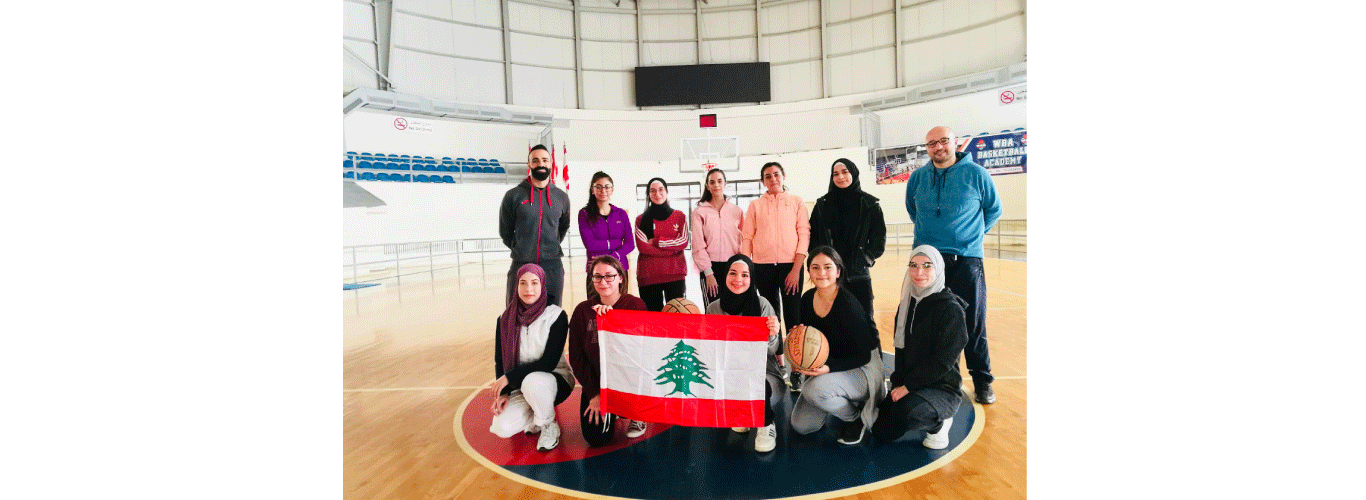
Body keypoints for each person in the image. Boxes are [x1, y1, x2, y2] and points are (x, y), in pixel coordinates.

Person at [904, 126, 1002, 404]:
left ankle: (982, 380)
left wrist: (972, 237)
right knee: (930, 324)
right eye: (932, 143)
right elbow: (913, 210)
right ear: (927, 148)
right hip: (928, 264)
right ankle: (942, 379)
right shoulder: (918, 178)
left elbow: (994, 209)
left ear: (954, 142)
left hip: (966, 260)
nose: (938, 147)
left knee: (972, 323)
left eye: (943, 141)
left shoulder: (976, 175)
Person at [868, 245, 967, 450]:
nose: (918, 272)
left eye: (926, 266)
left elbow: (942, 362)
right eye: (913, 265)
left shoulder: (951, 309)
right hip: (911, 383)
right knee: (881, 432)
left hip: (942, 389)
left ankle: (939, 424)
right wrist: (898, 384)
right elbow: (901, 352)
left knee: (908, 413)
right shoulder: (907, 304)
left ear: (938, 268)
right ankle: (913, 406)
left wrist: (908, 387)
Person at [788, 246, 884, 446]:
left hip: (862, 369)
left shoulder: (848, 305)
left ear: (838, 271)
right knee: (802, 425)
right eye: (815, 267)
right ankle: (840, 397)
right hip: (833, 365)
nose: (821, 273)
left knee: (814, 391)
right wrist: (798, 341)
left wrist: (828, 368)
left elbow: (863, 356)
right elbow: (813, 343)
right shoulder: (807, 300)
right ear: (809, 272)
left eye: (827, 267)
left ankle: (854, 417)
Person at [566, 255, 651, 446]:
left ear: (620, 277)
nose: (603, 282)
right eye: (597, 277)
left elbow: (643, 351)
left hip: (628, 380)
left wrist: (613, 321)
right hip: (599, 382)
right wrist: (594, 394)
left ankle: (635, 412)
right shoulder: (582, 311)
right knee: (596, 439)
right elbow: (577, 358)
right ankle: (611, 407)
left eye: (609, 276)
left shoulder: (635, 306)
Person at [489, 264, 574, 452]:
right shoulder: (504, 319)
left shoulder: (555, 316)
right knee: (502, 427)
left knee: (533, 381)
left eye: (534, 283)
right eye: (523, 283)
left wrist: (509, 378)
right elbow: (500, 360)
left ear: (542, 285)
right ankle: (537, 414)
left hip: (554, 380)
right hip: (520, 385)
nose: (529, 289)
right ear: (516, 286)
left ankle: (548, 425)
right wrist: (504, 392)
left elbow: (548, 362)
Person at [740, 162, 810, 391]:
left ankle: (797, 367)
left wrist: (796, 269)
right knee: (771, 317)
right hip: (762, 267)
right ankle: (779, 361)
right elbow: (747, 238)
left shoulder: (796, 202)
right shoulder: (755, 205)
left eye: (776, 174)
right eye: (767, 176)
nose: (773, 179)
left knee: (794, 315)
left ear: (783, 176)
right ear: (763, 181)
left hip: (791, 266)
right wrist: (746, 267)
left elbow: (803, 235)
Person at [704, 254, 783, 453]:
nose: (738, 279)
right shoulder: (714, 308)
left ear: (752, 279)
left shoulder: (762, 305)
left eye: (745, 275)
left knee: (755, 381)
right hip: (730, 372)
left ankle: (766, 423)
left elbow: (773, 350)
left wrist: (773, 334)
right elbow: (710, 350)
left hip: (764, 375)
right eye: (733, 273)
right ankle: (745, 413)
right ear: (725, 276)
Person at [809, 158, 886, 333]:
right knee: (830, 322)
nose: (840, 177)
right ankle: (835, 360)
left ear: (853, 173)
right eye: (835, 174)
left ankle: (872, 360)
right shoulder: (822, 205)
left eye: (845, 172)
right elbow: (812, 238)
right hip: (829, 276)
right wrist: (820, 263)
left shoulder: (870, 204)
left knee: (865, 321)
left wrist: (864, 259)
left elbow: (878, 240)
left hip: (858, 274)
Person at [499, 144, 571, 307]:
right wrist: (522, 249)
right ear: (529, 164)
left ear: (551, 164)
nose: (540, 164)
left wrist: (550, 247)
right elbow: (506, 232)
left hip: (552, 267)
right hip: (521, 265)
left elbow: (563, 228)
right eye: (535, 160)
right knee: (516, 316)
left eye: (545, 160)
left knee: (552, 317)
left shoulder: (561, 198)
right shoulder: (513, 196)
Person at [691, 168, 744, 307]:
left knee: (734, 309)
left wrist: (741, 266)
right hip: (711, 268)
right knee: (714, 311)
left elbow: (744, 240)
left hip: (733, 266)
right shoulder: (699, 212)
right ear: (707, 186)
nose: (716, 185)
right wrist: (708, 273)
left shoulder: (736, 211)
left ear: (725, 183)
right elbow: (698, 245)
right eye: (712, 182)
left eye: (720, 181)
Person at [633, 178, 688, 311]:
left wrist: (658, 242)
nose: (657, 194)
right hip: (649, 277)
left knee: (676, 318)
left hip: (675, 274)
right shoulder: (640, 220)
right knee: (653, 320)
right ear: (648, 194)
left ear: (666, 191)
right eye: (652, 191)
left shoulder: (679, 216)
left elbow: (683, 242)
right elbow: (643, 247)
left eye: (660, 189)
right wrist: (672, 250)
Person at [577, 171, 634, 295]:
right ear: (592, 190)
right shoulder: (584, 214)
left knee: (619, 310)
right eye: (598, 187)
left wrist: (612, 257)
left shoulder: (621, 214)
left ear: (612, 190)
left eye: (607, 187)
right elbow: (590, 245)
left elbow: (630, 244)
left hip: (620, 270)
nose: (603, 190)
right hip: (596, 271)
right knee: (596, 310)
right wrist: (617, 242)